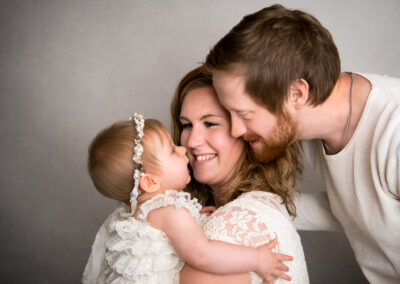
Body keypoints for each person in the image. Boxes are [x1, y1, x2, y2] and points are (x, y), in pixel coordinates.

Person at [203, 4, 400, 284]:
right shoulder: (312, 125)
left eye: (244, 114)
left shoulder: (394, 134)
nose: (236, 130)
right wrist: (244, 208)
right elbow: (352, 208)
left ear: (296, 92)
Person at [82, 113, 293, 283]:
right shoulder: (170, 212)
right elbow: (203, 255)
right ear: (150, 183)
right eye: (173, 151)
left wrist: (197, 218)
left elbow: (165, 241)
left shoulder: (136, 213)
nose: (183, 148)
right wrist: (257, 259)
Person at [171, 66, 309, 284]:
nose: (192, 141)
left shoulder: (235, 224)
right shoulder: (257, 206)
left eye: (210, 123)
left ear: (247, 132)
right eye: (186, 125)